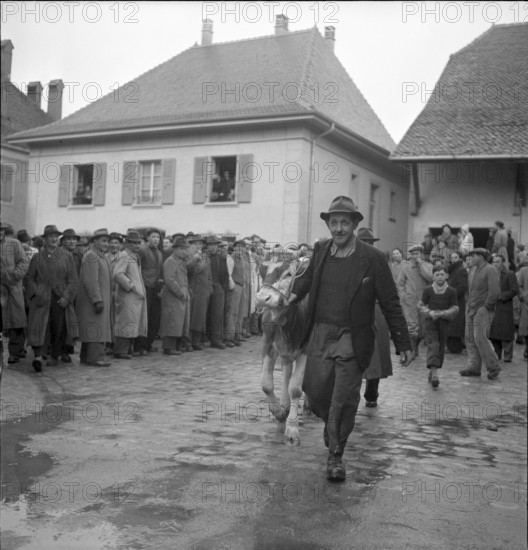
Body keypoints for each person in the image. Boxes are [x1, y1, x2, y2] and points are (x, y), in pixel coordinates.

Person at [288, 196, 412, 482]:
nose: (339, 228)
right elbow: (306, 280)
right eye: (334, 222)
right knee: (317, 392)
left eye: (345, 222)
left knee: (344, 397)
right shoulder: (320, 250)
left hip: (352, 337)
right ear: (328, 224)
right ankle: (331, 423)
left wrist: (403, 342)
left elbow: (391, 302)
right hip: (319, 334)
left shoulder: (372, 258)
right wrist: (291, 296)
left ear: (355, 224)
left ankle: (336, 454)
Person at [26, 225, 79, 372]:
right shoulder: (37, 257)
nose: (54, 239)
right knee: (38, 325)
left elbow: (73, 279)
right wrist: (36, 293)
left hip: (59, 295)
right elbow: (29, 278)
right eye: (51, 236)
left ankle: (54, 355)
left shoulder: (67, 256)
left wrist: (67, 297)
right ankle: (37, 356)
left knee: (58, 326)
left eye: (56, 236)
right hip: (41, 296)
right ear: (44, 239)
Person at [356, 228, 393, 408]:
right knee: (351, 355)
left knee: (376, 355)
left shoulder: (380, 261)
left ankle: (372, 392)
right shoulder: (349, 261)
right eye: (364, 242)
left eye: (369, 243)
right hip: (354, 311)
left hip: (377, 310)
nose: (367, 246)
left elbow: (389, 292)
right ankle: (351, 392)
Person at [459, 248, 501, 379]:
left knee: (480, 338)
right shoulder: (473, 270)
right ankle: (473, 367)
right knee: (470, 339)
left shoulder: (490, 269)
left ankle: (494, 367)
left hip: (482, 310)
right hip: (471, 309)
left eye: (474, 256)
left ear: (482, 256)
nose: (472, 258)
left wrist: (486, 307)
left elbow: (495, 292)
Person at [76, 228, 113, 367]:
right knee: (96, 327)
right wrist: (97, 299)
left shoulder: (100, 256)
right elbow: (91, 281)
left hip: (97, 298)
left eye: (107, 241)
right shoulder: (92, 256)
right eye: (103, 241)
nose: (106, 244)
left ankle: (86, 356)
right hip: (93, 300)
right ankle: (95, 357)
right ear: (95, 241)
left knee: (93, 327)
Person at [418, 265, 459, 388]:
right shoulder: (428, 290)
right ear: (433, 276)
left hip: (444, 323)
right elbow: (420, 305)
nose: (440, 277)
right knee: (433, 345)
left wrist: (444, 313)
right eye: (437, 275)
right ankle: (435, 374)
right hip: (430, 322)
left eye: (442, 274)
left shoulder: (451, 291)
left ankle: (432, 370)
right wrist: (429, 312)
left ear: (446, 275)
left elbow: (455, 307)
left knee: (440, 347)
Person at [112, 230, 147, 359]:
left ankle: (127, 349)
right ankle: (120, 351)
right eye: (134, 243)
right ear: (127, 243)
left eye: (138, 243)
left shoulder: (134, 256)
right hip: (127, 296)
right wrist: (131, 286)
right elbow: (117, 274)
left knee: (132, 323)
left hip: (134, 297)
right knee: (126, 322)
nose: (137, 246)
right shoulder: (124, 256)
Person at [397, 244, 433, 360]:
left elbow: (430, 278)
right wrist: (403, 295)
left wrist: (421, 265)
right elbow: (400, 284)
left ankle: (415, 346)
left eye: (417, 253)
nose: (414, 256)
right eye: (412, 254)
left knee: (422, 330)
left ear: (421, 254)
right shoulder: (405, 268)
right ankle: (412, 349)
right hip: (410, 301)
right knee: (412, 327)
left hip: (424, 301)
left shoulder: (427, 266)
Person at [1, 222, 29, 364]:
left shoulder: (14, 244)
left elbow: (24, 262)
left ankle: (15, 351)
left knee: (16, 321)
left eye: (2, 230)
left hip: (13, 288)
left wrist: (15, 275)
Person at [159, 235, 191, 355]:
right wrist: (180, 292)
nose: (184, 251)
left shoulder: (180, 261)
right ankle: (169, 347)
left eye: (185, 249)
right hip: (173, 296)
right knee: (171, 321)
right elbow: (170, 280)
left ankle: (176, 345)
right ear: (175, 249)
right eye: (182, 249)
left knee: (179, 322)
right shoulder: (170, 262)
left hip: (181, 295)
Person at [136, 228, 163, 354]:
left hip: (155, 287)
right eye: (153, 236)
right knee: (144, 317)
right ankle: (140, 346)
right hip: (145, 286)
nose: (156, 239)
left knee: (154, 317)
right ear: (147, 238)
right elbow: (136, 267)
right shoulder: (142, 250)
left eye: (158, 237)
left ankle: (148, 344)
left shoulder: (159, 252)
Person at [489, 254, 519, 362]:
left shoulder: (509, 274)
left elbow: (515, 290)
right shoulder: (490, 274)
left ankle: (507, 355)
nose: (495, 263)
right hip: (493, 307)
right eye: (494, 261)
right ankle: (496, 354)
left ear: (502, 262)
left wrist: (502, 296)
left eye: (498, 261)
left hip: (505, 306)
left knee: (505, 332)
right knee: (494, 333)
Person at [186, 235, 213, 350]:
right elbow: (188, 269)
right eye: (196, 243)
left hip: (204, 290)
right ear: (191, 244)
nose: (198, 246)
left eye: (200, 244)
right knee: (190, 316)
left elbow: (209, 274)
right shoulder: (188, 255)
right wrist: (194, 259)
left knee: (200, 317)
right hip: (192, 288)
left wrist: (210, 287)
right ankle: (187, 341)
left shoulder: (206, 256)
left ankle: (196, 341)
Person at [205, 235, 229, 349]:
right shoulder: (204, 257)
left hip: (218, 287)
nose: (212, 247)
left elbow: (225, 274)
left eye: (214, 245)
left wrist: (223, 286)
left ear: (217, 246)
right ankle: (202, 339)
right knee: (204, 313)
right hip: (205, 288)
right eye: (209, 245)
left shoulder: (221, 258)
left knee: (217, 315)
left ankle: (216, 339)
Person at [446, 251, 468, 353]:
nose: (453, 259)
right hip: (451, 302)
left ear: (460, 259)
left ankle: (455, 348)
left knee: (455, 325)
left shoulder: (461, 270)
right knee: (451, 325)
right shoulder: (452, 270)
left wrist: (451, 296)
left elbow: (462, 287)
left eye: (456, 257)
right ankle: (451, 347)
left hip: (457, 302)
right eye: (452, 257)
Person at [516, 252, 528, 359]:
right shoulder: (524, 271)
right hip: (526, 303)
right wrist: (523, 296)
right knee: (525, 328)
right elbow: (518, 286)